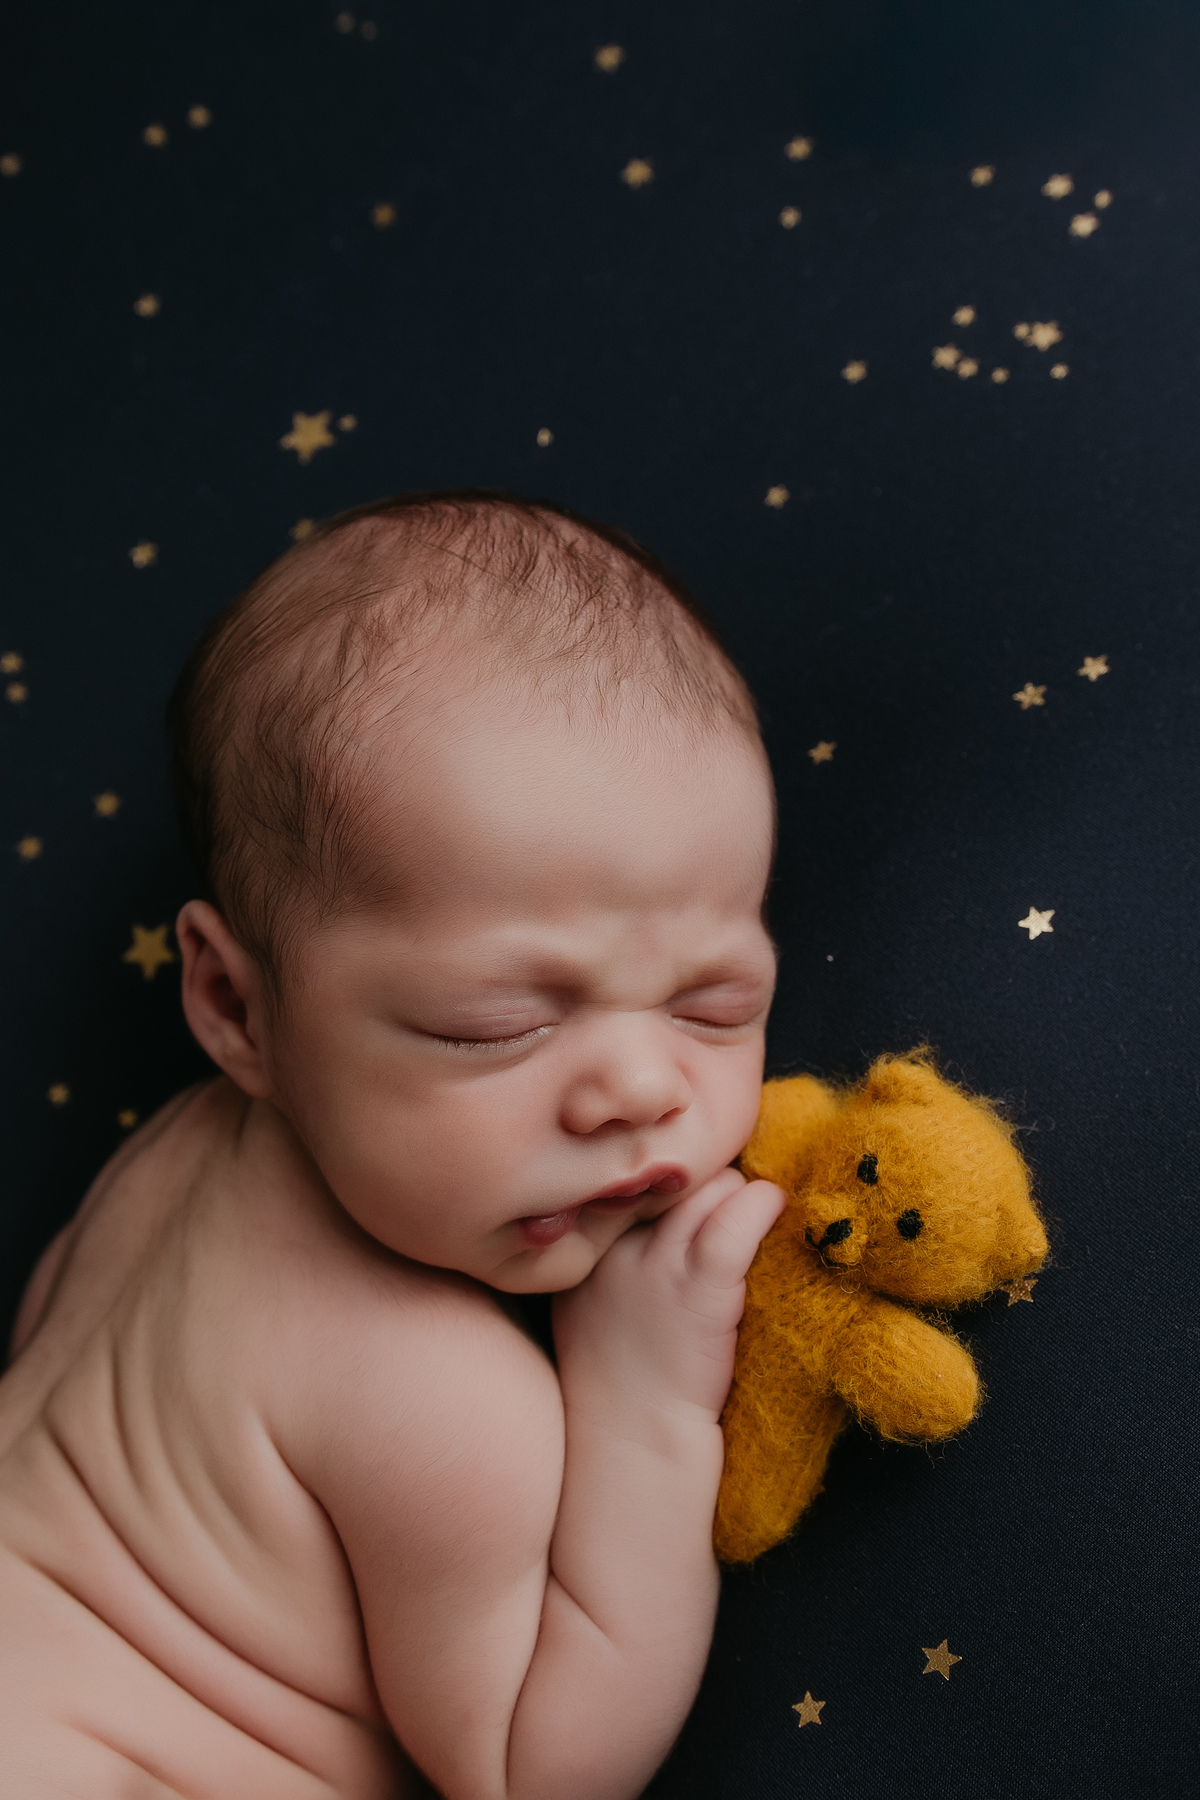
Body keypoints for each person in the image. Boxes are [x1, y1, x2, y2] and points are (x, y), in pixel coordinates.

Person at [0, 491, 785, 1800]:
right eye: (495, 1027)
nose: (643, 1088)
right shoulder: (439, 1401)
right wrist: (644, 1408)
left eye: (715, 1005)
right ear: (237, 1006)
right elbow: (534, 1772)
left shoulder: (166, 1160)